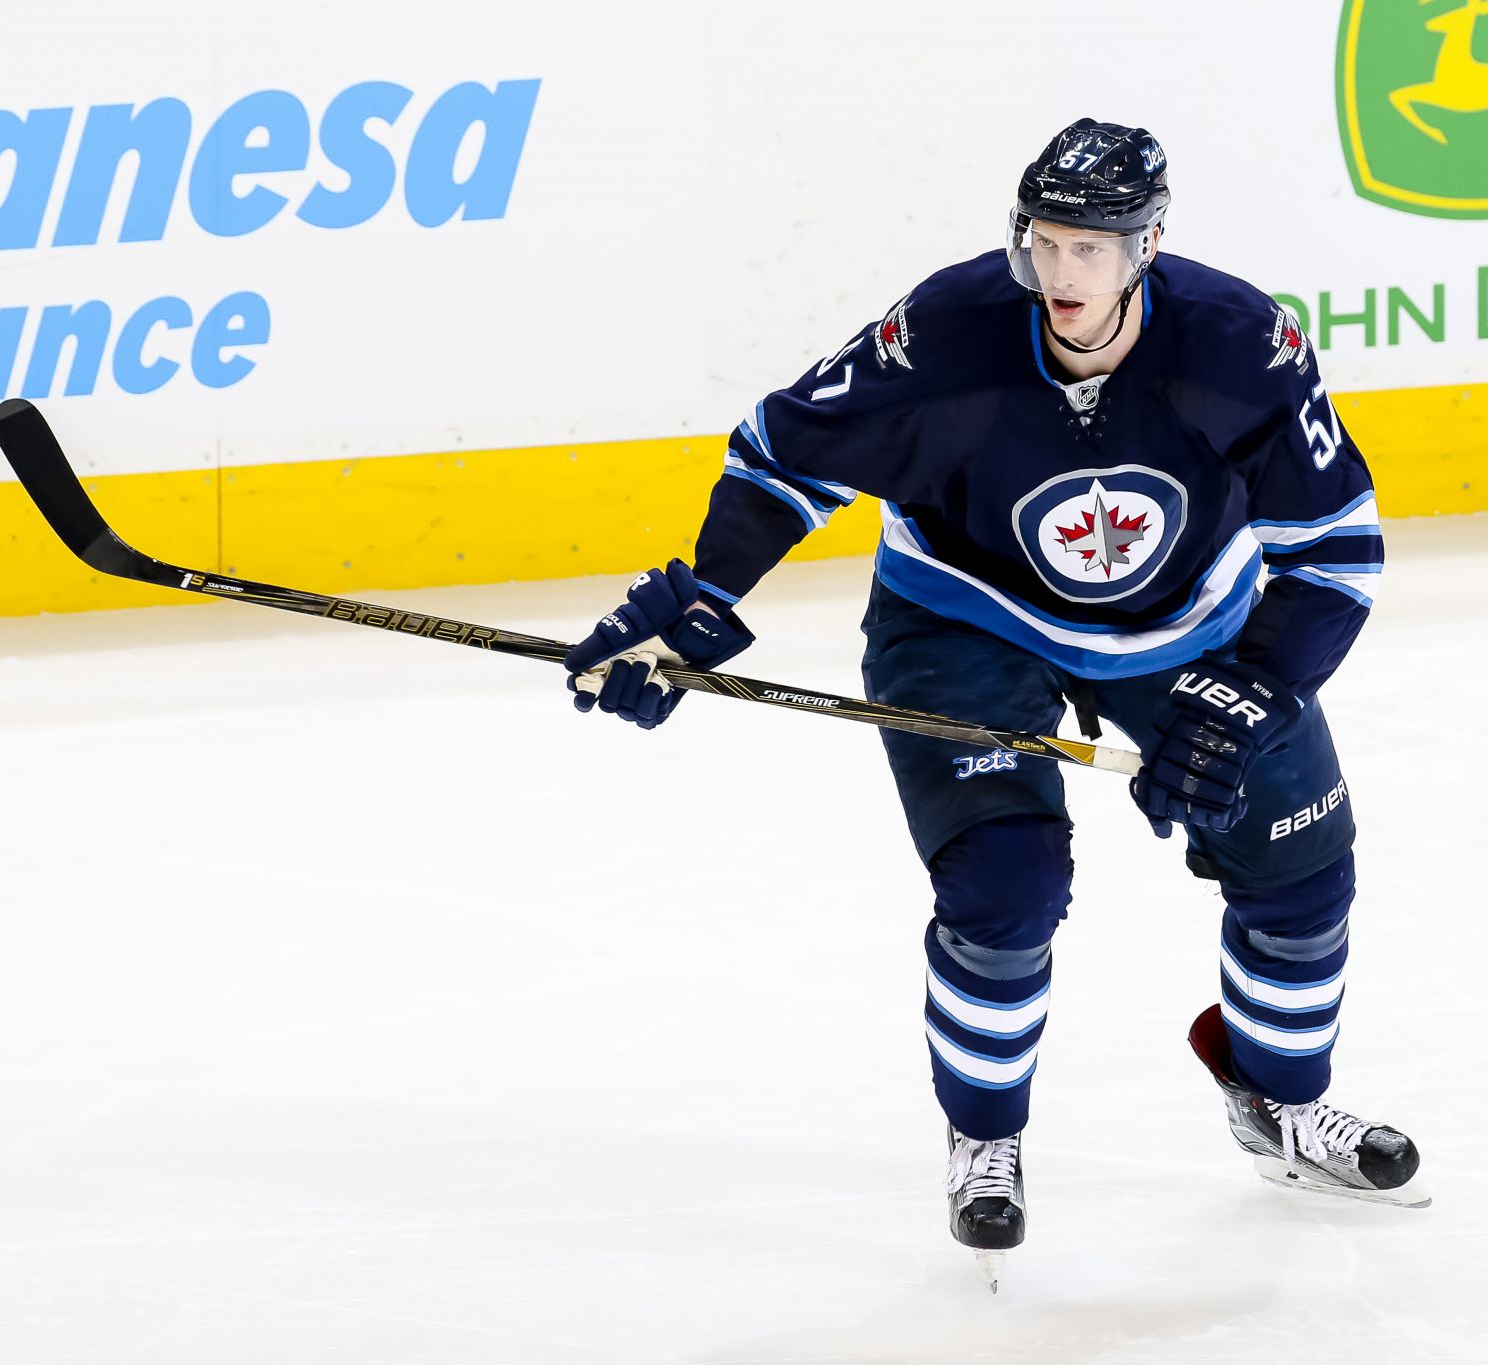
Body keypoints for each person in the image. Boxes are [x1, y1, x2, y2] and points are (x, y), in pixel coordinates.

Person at [562, 118, 1426, 1285]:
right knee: (1003, 891)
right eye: (1041, 242)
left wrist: (1251, 689)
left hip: (1190, 629)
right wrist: (702, 595)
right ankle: (985, 1134)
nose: (1057, 273)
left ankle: (1275, 1108)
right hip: (961, 621)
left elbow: (1333, 551)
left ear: (1147, 247)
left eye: (1087, 249)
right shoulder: (945, 336)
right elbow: (782, 454)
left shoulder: (1237, 348)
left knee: (1302, 874)